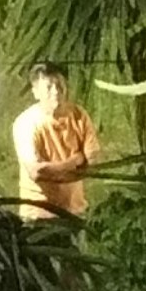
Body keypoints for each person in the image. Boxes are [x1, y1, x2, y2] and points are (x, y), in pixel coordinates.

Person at [10, 59, 100, 219]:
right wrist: (74, 161)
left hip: (75, 212)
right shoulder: (26, 124)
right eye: (49, 87)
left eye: (60, 85)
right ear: (36, 92)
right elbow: (36, 171)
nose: (56, 91)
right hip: (38, 215)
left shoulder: (79, 115)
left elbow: (92, 160)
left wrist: (56, 170)